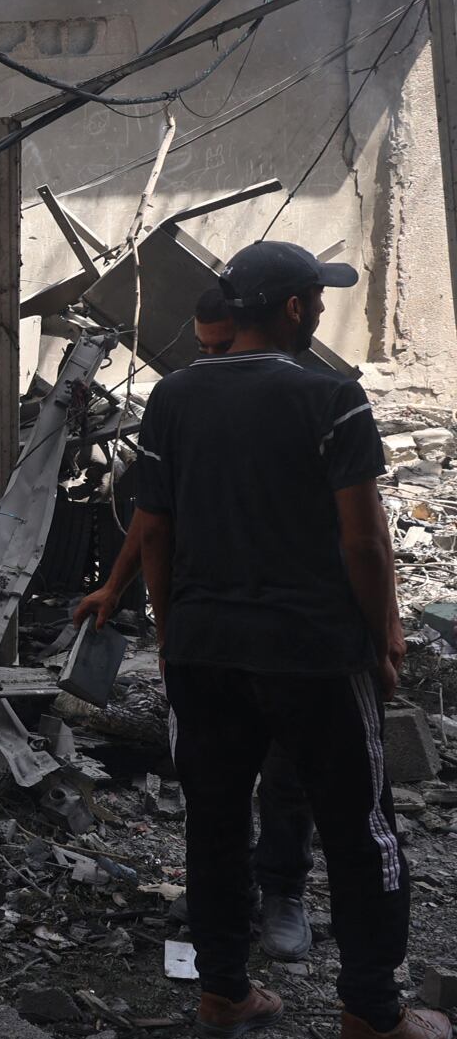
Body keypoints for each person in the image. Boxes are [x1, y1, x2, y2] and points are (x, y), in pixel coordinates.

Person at [137, 241, 449, 1039]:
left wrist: (173, 636)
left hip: (203, 648)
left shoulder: (172, 396)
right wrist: (384, 634)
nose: (319, 309)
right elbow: (365, 542)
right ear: (294, 308)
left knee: (212, 822)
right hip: (311, 650)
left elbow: (155, 529)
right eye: (316, 296)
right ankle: (373, 1017)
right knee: (362, 828)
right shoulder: (331, 398)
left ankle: (225, 992)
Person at [75, 285, 314, 962]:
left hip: (280, 618)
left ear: (247, 333)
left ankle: (283, 893)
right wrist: (120, 590)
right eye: (201, 349)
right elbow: (154, 516)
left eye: (222, 347)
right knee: (214, 776)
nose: (211, 360)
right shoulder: (181, 402)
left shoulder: (297, 399)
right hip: (203, 624)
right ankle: (224, 897)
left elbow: (355, 526)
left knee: (286, 767)